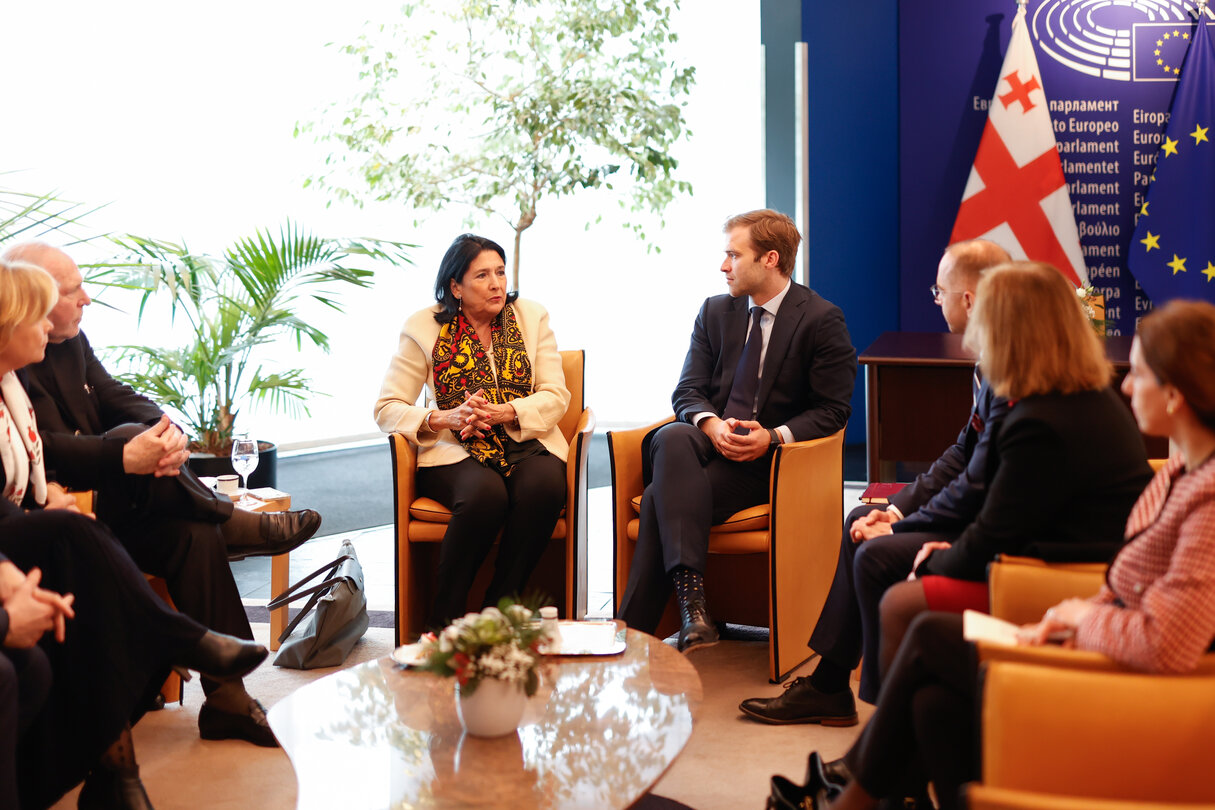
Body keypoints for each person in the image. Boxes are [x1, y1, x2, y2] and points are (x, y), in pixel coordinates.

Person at [784, 297, 1215, 810]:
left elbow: (1169, 643)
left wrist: (1078, 619)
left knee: (923, 633)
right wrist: (1067, 617)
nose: (1123, 384)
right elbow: (1126, 584)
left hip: (1138, 688)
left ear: (1175, 394)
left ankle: (852, 795)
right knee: (932, 703)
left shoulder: (1206, 497)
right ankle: (863, 790)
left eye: (1138, 374)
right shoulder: (1179, 470)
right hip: (1096, 635)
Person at [0, 241, 318, 747]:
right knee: (134, 450)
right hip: (75, 510)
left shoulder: (68, 342)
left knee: (192, 533)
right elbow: (49, 453)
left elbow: (114, 395)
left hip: (121, 503)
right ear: (23, 302)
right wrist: (124, 455)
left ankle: (227, 701)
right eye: (70, 290)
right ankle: (226, 519)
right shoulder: (18, 358)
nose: (87, 299)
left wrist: (166, 429)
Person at [741, 238, 1011, 722]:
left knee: (877, 551)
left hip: (998, 533)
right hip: (981, 513)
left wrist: (900, 528)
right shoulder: (991, 360)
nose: (936, 299)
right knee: (862, 516)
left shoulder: (1010, 373)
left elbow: (978, 483)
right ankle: (830, 687)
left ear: (968, 299)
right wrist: (897, 509)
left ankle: (877, 710)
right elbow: (962, 456)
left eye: (939, 290)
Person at [617, 209, 857, 652]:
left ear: (769, 259)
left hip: (768, 464)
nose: (723, 266)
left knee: (658, 499)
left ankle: (632, 633)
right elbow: (688, 391)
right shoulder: (715, 311)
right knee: (673, 436)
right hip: (704, 447)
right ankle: (693, 609)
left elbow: (833, 410)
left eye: (733, 254)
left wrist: (772, 435)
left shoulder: (822, 319)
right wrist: (710, 424)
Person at [375, 233, 569, 630]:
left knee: (545, 487)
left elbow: (556, 394)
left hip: (523, 439)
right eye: (482, 275)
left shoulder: (532, 316)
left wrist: (508, 411)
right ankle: (442, 622)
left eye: (500, 272)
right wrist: (445, 418)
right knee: (484, 496)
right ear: (456, 287)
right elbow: (387, 408)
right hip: (455, 448)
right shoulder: (423, 327)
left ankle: (496, 615)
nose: (497, 283)